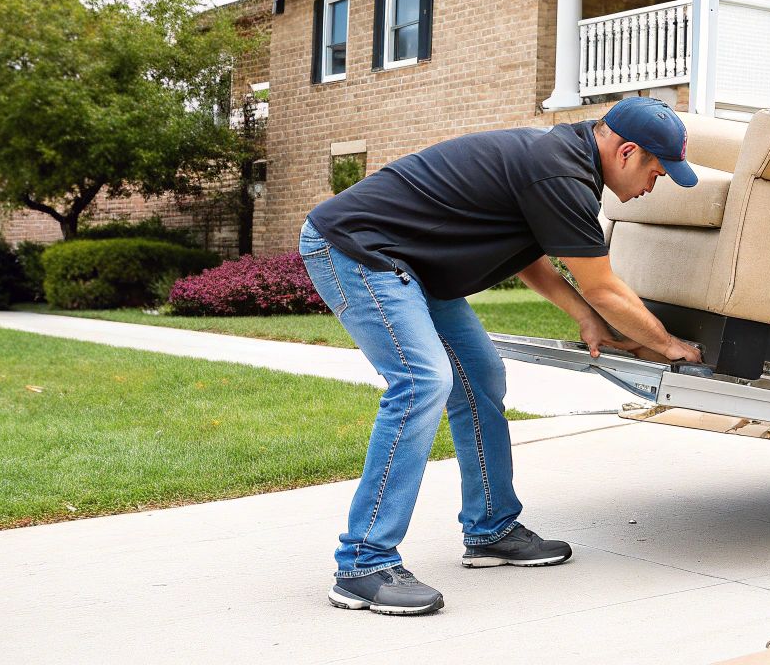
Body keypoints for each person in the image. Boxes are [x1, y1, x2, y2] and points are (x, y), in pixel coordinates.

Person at [300, 96, 705, 615]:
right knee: (422, 382)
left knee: (480, 377)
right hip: (357, 251)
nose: (655, 184)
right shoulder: (561, 173)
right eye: (657, 170)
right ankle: (363, 563)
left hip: (411, 264)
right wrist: (668, 345)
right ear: (627, 152)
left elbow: (533, 253)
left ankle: (490, 529)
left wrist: (583, 317)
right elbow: (604, 288)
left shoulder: (567, 160)